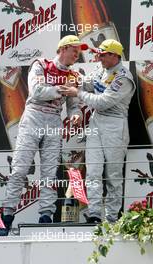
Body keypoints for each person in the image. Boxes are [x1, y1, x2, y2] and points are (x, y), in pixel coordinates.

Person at [0, 35, 88, 236]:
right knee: (20, 169)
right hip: (33, 117)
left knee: (50, 172)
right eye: (74, 50)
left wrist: (75, 116)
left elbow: (74, 106)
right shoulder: (40, 65)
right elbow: (36, 91)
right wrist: (61, 89)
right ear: (63, 48)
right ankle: (7, 217)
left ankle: (45, 216)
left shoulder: (75, 76)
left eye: (79, 52)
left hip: (54, 120)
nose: (77, 54)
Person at [58, 39, 136, 223]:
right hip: (96, 123)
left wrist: (77, 93)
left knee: (113, 175)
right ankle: (94, 214)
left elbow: (103, 102)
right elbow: (85, 83)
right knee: (93, 171)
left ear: (114, 56)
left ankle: (111, 218)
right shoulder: (101, 69)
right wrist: (74, 79)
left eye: (102, 55)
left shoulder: (123, 77)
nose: (98, 58)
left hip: (115, 126)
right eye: (98, 54)